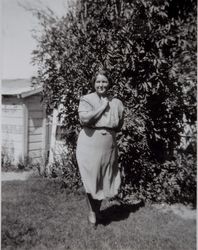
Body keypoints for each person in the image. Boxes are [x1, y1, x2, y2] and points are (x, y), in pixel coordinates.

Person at [76, 69, 124, 228]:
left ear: (109, 83)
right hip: (90, 143)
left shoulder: (116, 102)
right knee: (91, 179)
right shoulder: (86, 99)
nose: (101, 84)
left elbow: (119, 125)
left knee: (103, 179)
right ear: (93, 83)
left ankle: (96, 211)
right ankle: (92, 213)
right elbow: (84, 119)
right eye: (98, 81)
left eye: (104, 81)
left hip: (108, 145)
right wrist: (102, 107)